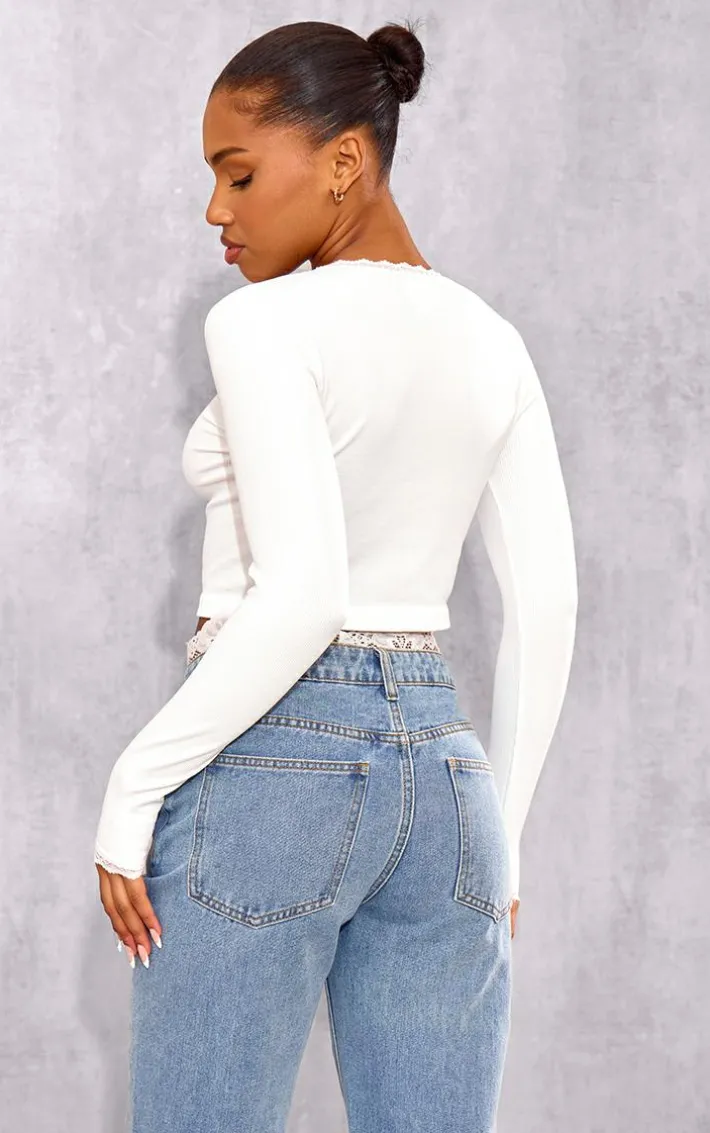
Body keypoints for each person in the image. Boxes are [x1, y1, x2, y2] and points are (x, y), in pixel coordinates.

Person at [93, 18, 578, 1133]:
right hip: (449, 783)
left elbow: (305, 595)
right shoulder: (493, 341)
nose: (216, 210)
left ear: (345, 161)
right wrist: (502, 837)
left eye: (239, 174)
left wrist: (133, 785)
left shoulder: (261, 322)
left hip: (271, 757)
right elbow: (547, 603)